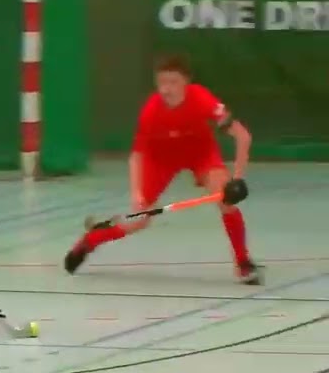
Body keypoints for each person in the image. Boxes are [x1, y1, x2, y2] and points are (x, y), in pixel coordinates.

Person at [65, 55, 262, 284]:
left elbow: (242, 136)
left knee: (225, 200)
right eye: (162, 83)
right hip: (159, 161)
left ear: (187, 82)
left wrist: (237, 179)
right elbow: (136, 156)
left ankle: (243, 262)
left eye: (173, 82)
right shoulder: (151, 111)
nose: (166, 89)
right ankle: (90, 241)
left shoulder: (202, 99)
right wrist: (136, 194)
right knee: (139, 221)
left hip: (200, 155)